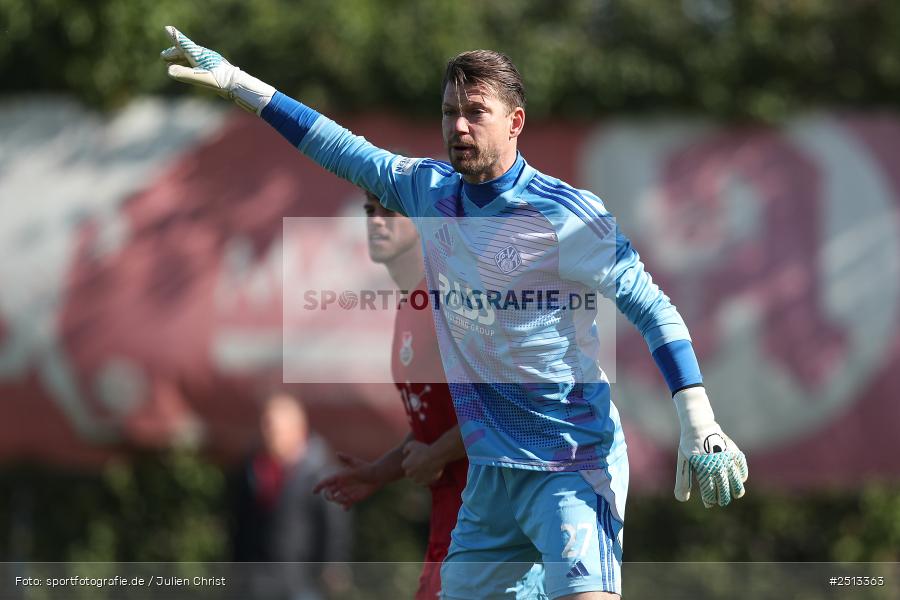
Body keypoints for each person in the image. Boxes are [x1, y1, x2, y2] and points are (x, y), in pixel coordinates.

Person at [162, 28, 748, 600]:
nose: (459, 127)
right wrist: (238, 82)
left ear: (515, 122)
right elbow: (338, 147)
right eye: (449, 113)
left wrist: (698, 420)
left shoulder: (568, 215)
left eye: (476, 111)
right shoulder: (427, 190)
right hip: (491, 476)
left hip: (571, 464)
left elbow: (652, 307)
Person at [313, 190, 469, 600]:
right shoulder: (409, 304)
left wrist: (435, 455)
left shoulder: (450, 300)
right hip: (450, 524)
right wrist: (381, 472)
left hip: (489, 528)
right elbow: (438, 424)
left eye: (390, 211)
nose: (375, 221)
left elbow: (503, 411)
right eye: (369, 211)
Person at [231, 391, 351, 600]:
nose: (267, 434)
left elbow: (333, 526)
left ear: (297, 430)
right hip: (255, 582)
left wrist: (333, 566)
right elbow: (239, 526)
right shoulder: (251, 470)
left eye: (274, 428)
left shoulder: (319, 472)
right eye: (265, 426)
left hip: (301, 583)